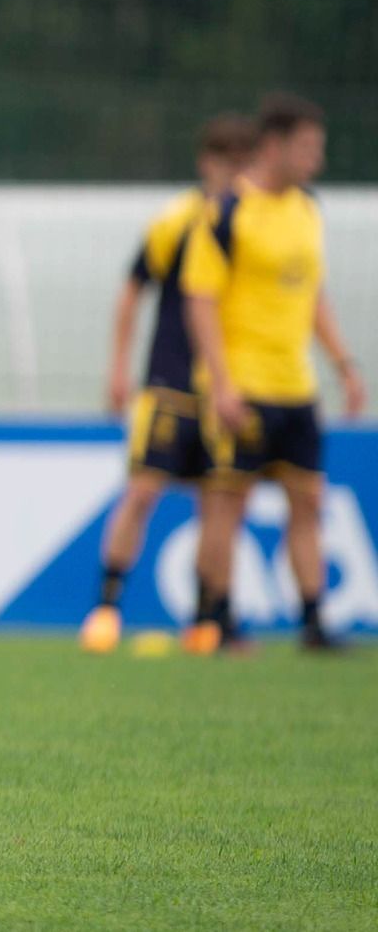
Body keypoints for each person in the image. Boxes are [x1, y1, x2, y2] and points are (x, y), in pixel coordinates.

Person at [181, 93, 366, 654]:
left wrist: (343, 364)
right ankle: (217, 617)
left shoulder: (308, 209)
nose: (317, 159)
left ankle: (314, 623)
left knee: (308, 502)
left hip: (296, 387)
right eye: (307, 147)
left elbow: (313, 296)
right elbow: (201, 299)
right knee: (226, 504)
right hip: (244, 384)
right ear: (274, 146)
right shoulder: (227, 211)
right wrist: (222, 384)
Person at [79, 115, 255, 654]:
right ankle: (106, 608)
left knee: (220, 505)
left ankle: (211, 620)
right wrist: (117, 367)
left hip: (228, 387)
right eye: (226, 164)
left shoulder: (257, 224)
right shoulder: (177, 222)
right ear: (207, 163)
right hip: (169, 382)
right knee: (143, 491)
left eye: (243, 165)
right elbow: (133, 291)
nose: (234, 176)